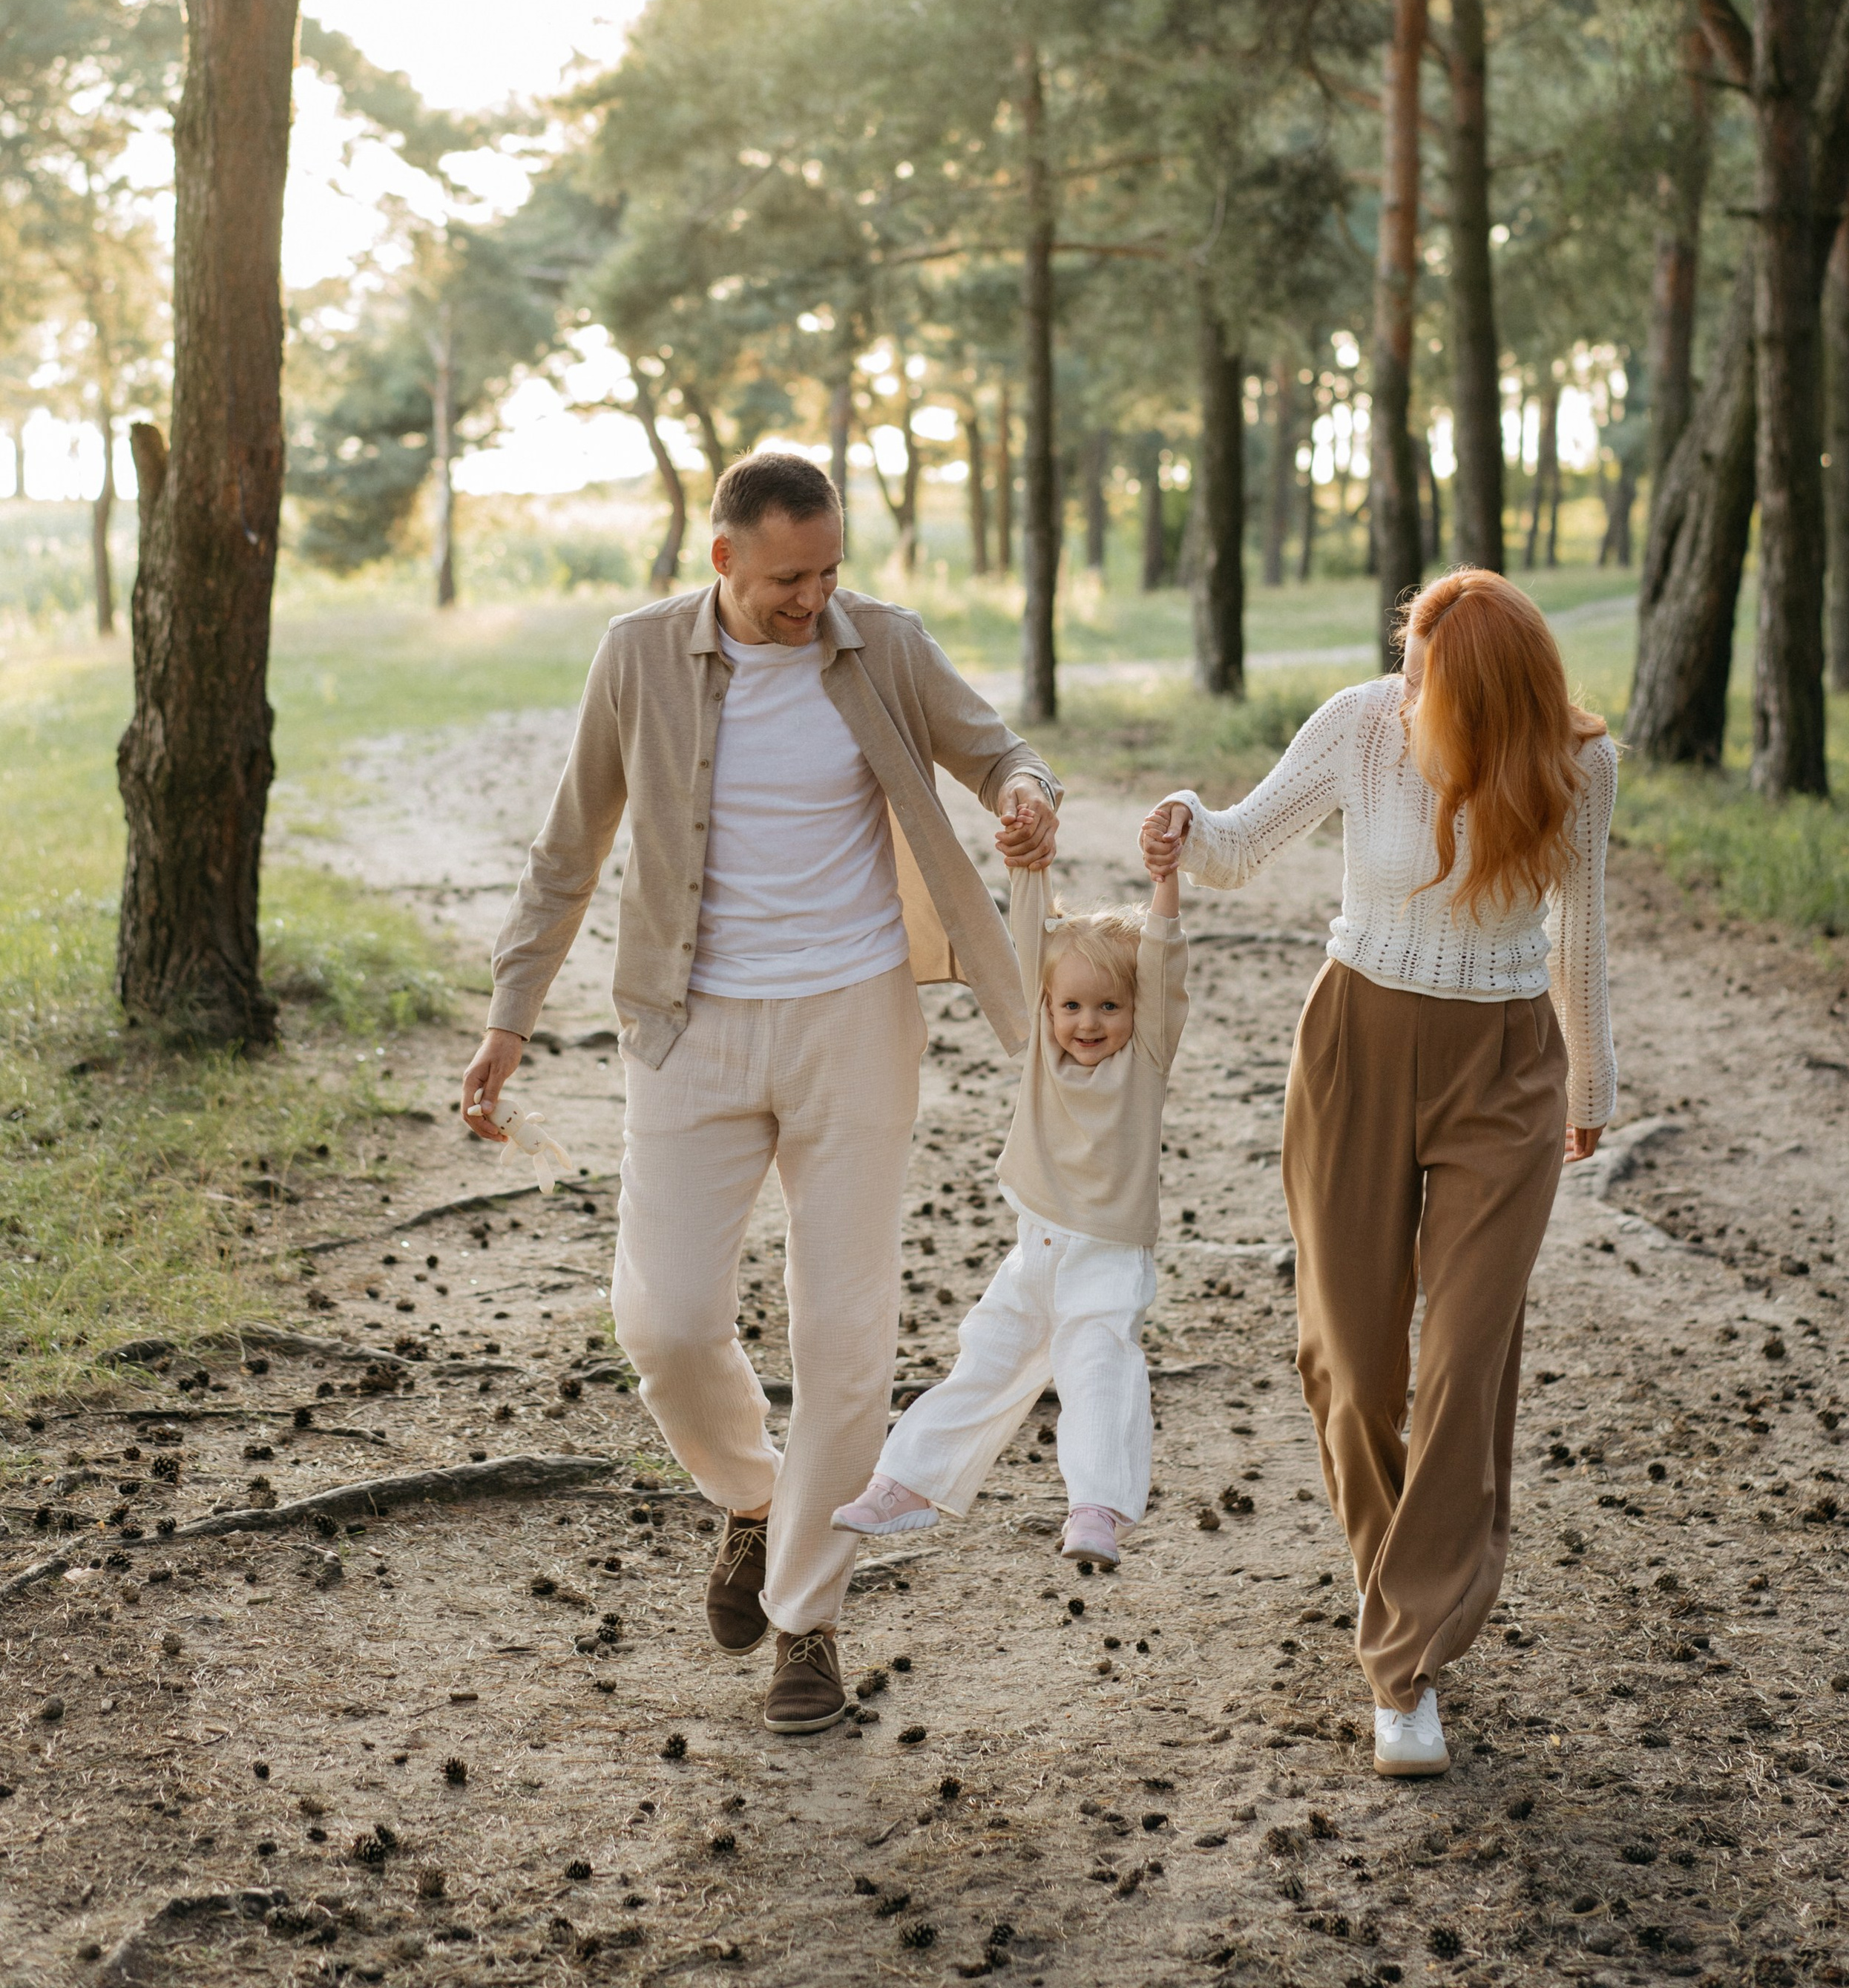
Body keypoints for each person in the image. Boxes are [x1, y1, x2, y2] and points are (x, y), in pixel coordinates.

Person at [459, 450, 1060, 1736]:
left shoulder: (880, 647)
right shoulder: (636, 659)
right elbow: (571, 850)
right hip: (690, 1026)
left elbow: (1000, 752)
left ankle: (808, 1620)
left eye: (831, 570)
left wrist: (1024, 800)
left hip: (854, 1020)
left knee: (845, 1337)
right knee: (667, 1322)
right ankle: (753, 1498)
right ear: (723, 559)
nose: (814, 599)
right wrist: (511, 1018)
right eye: (790, 577)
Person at [1140, 568, 1615, 1780]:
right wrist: (1188, 821)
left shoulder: (1575, 764)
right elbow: (1245, 847)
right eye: (1407, 660)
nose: (1408, 688)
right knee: (1350, 1364)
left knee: (1463, 1359)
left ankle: (1403, 1667)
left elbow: (1585, 933)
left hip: (1506, 1073)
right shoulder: (1362, 725)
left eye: (1431, 675)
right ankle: (1404, 1580)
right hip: (1354, 1047)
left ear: (1493, 693)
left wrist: (1591, 1088)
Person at [831, 840, 1189, 1565]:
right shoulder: (1038, 1049)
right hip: (1036, 1248)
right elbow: (1027, 945)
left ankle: (1097, 1510)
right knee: (985, 1357)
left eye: (1109, 1007)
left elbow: (1164, 969)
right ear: (1048, 1007)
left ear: (1136, 1010)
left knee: (1097, 1367)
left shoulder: (1144, 1056)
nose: (1087, 1024)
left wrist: (1165, 889)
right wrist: (1029, 867)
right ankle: (908, 1484)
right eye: (1072, 1007)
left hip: (1107, 1255)